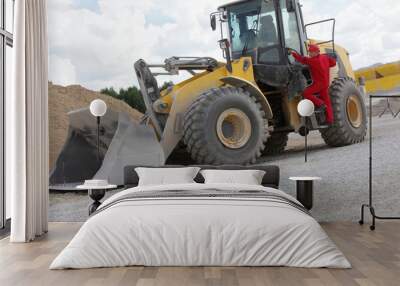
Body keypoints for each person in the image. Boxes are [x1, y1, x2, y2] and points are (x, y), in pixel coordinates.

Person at [289, 44, 337, 124]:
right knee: (327, 101)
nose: (309, 54)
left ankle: (321, 104)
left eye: (310, 52)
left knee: (305, 93)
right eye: (309, 52)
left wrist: (293, 53)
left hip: (319, 84)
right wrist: (326, 65)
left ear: (315, 52)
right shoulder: (325, 57)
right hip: (325, 83)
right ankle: (330, 119)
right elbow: (333, 63)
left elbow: (302, 59)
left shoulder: (313, 61)